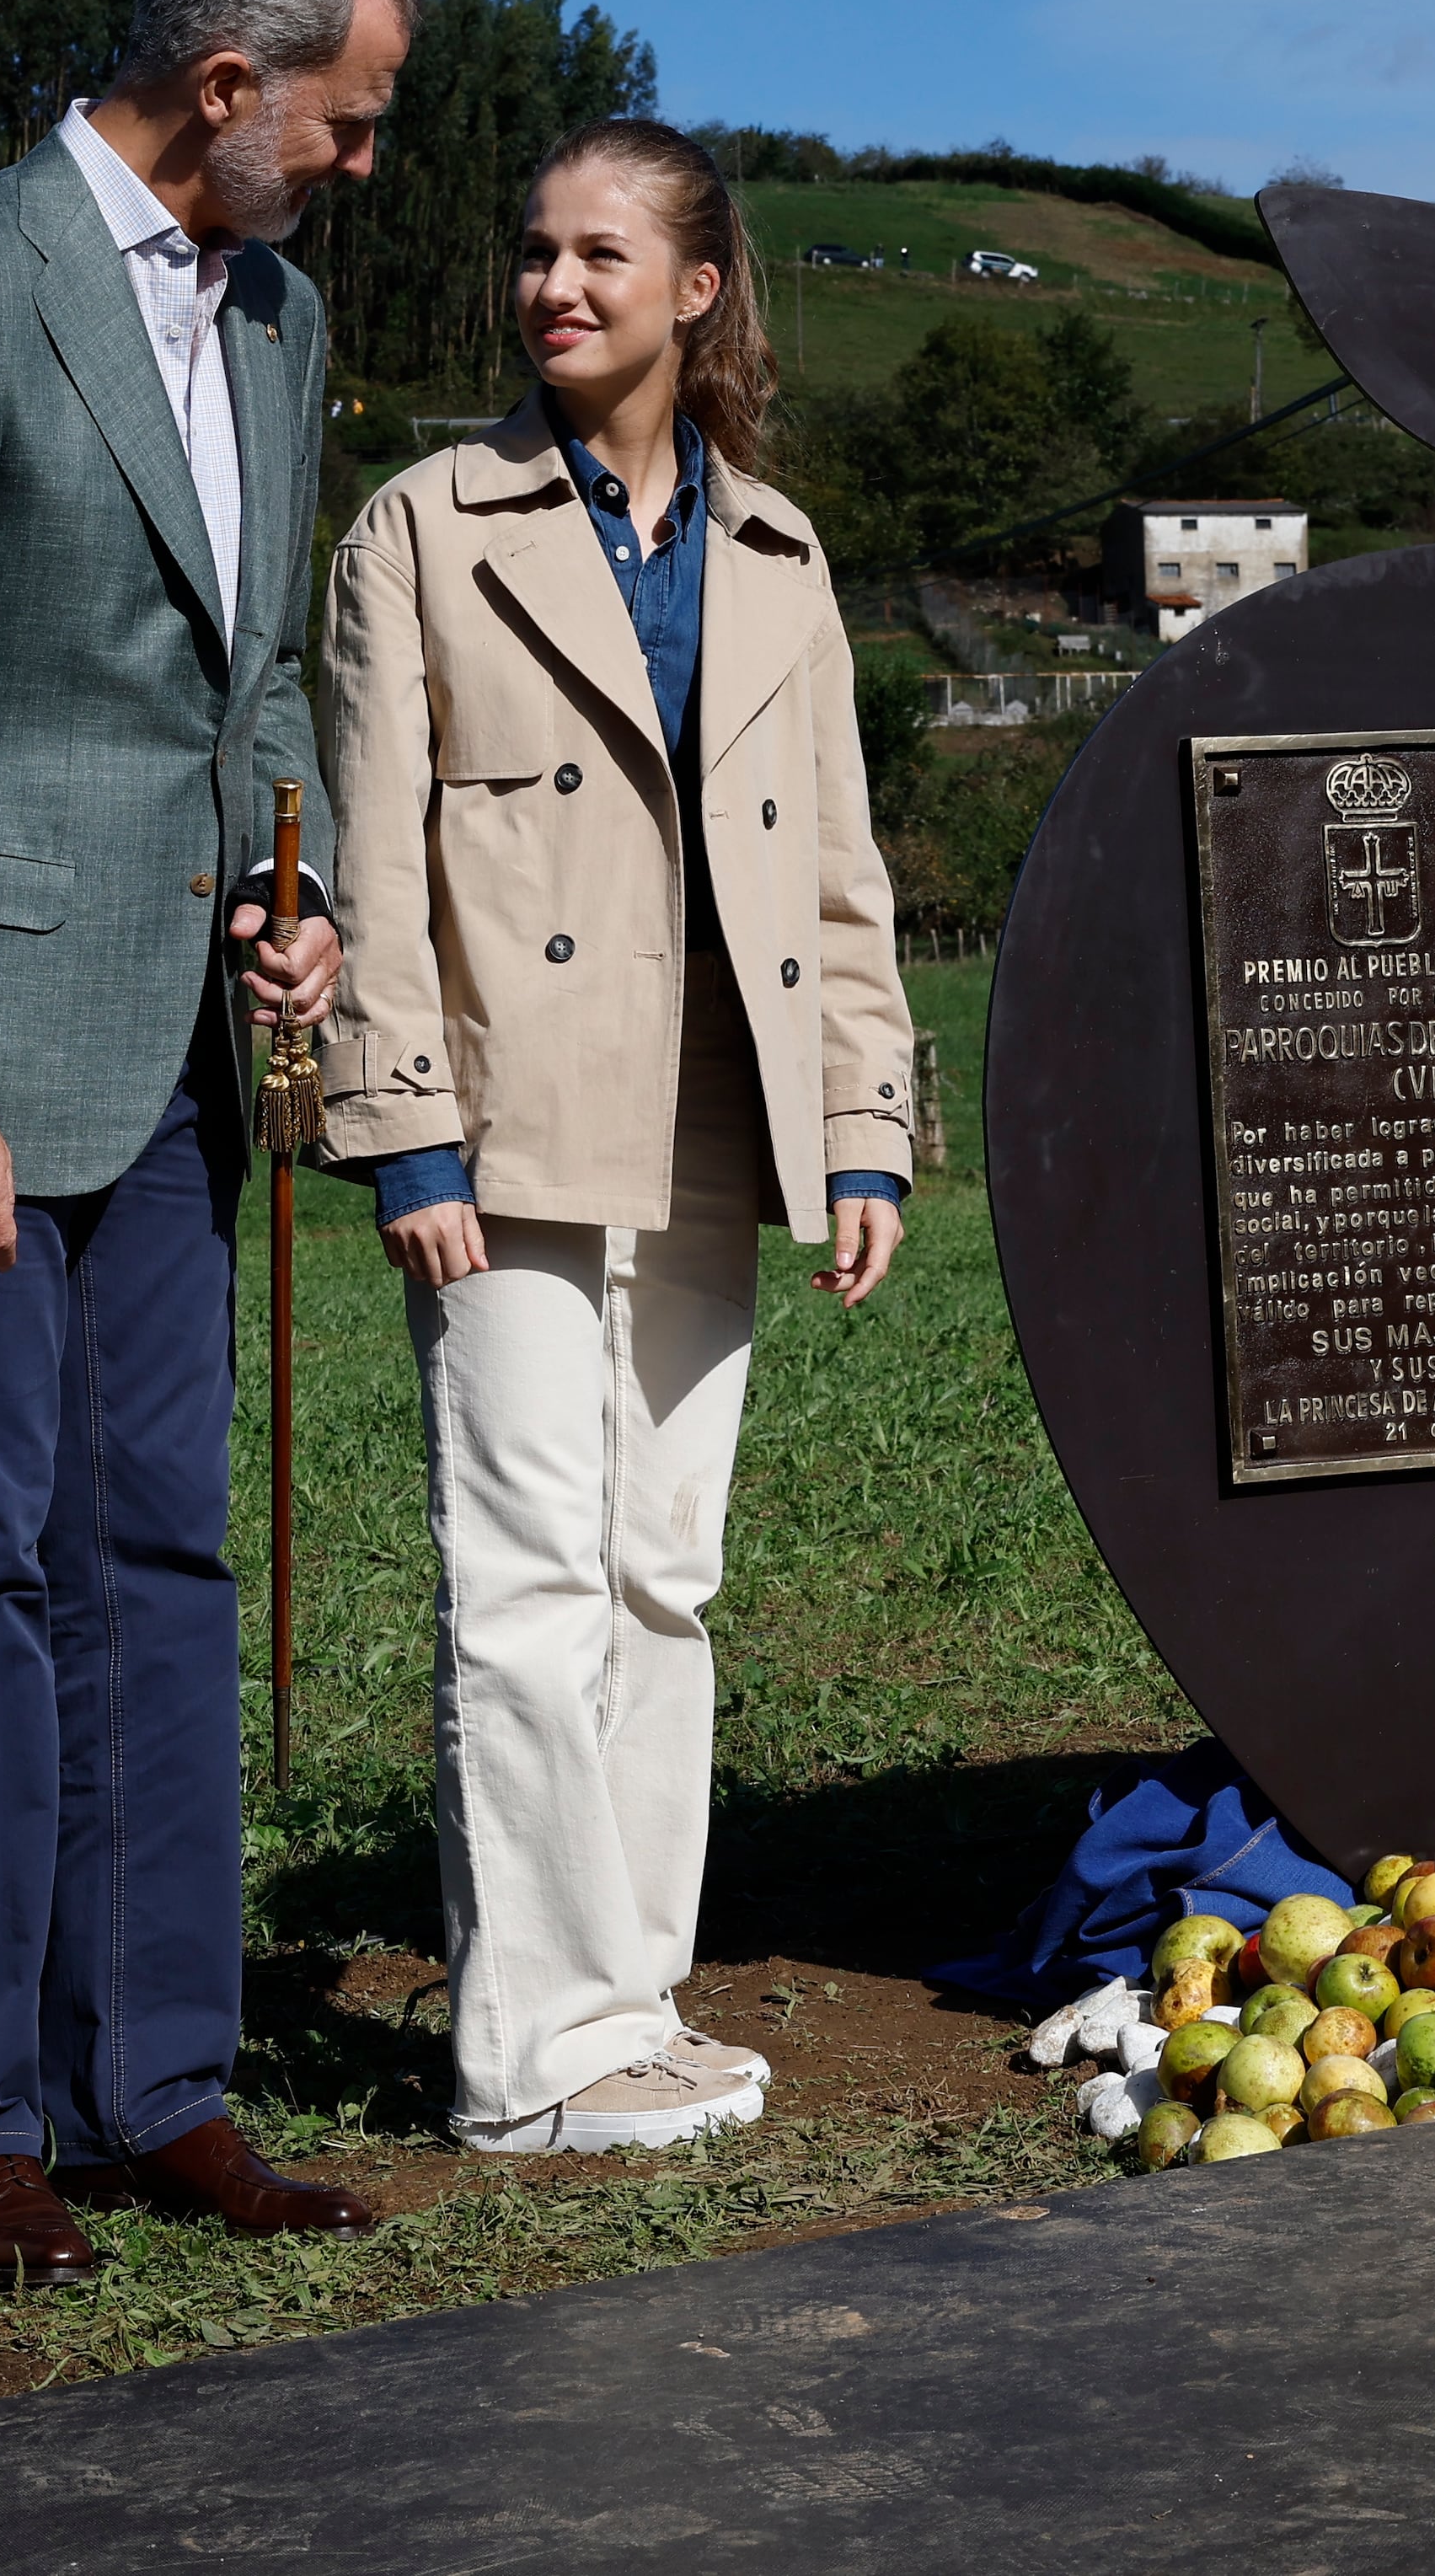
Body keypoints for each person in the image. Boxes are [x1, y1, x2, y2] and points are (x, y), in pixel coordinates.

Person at [0, 0, 417, 2284]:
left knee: (159, 1558)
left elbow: (252, 677)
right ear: (227, 84)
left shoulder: (281, 320)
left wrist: (306, 878)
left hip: (175, 1063)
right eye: (344, 121)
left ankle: (155, 2077)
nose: (360, 162)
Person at [315, 119, 913, 2157]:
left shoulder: (780, 553)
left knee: (663, 1573)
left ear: (697, 289)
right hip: (505, 1129)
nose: (552, 286)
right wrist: (401, 1134)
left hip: (718, 1120)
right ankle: (527, 2055)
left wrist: (865, 1127)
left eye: (598, 255)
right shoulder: (421, 523)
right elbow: (377, 863)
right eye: (534, 252)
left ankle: (626, 1998)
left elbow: (842, 876)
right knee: (524, 1578)